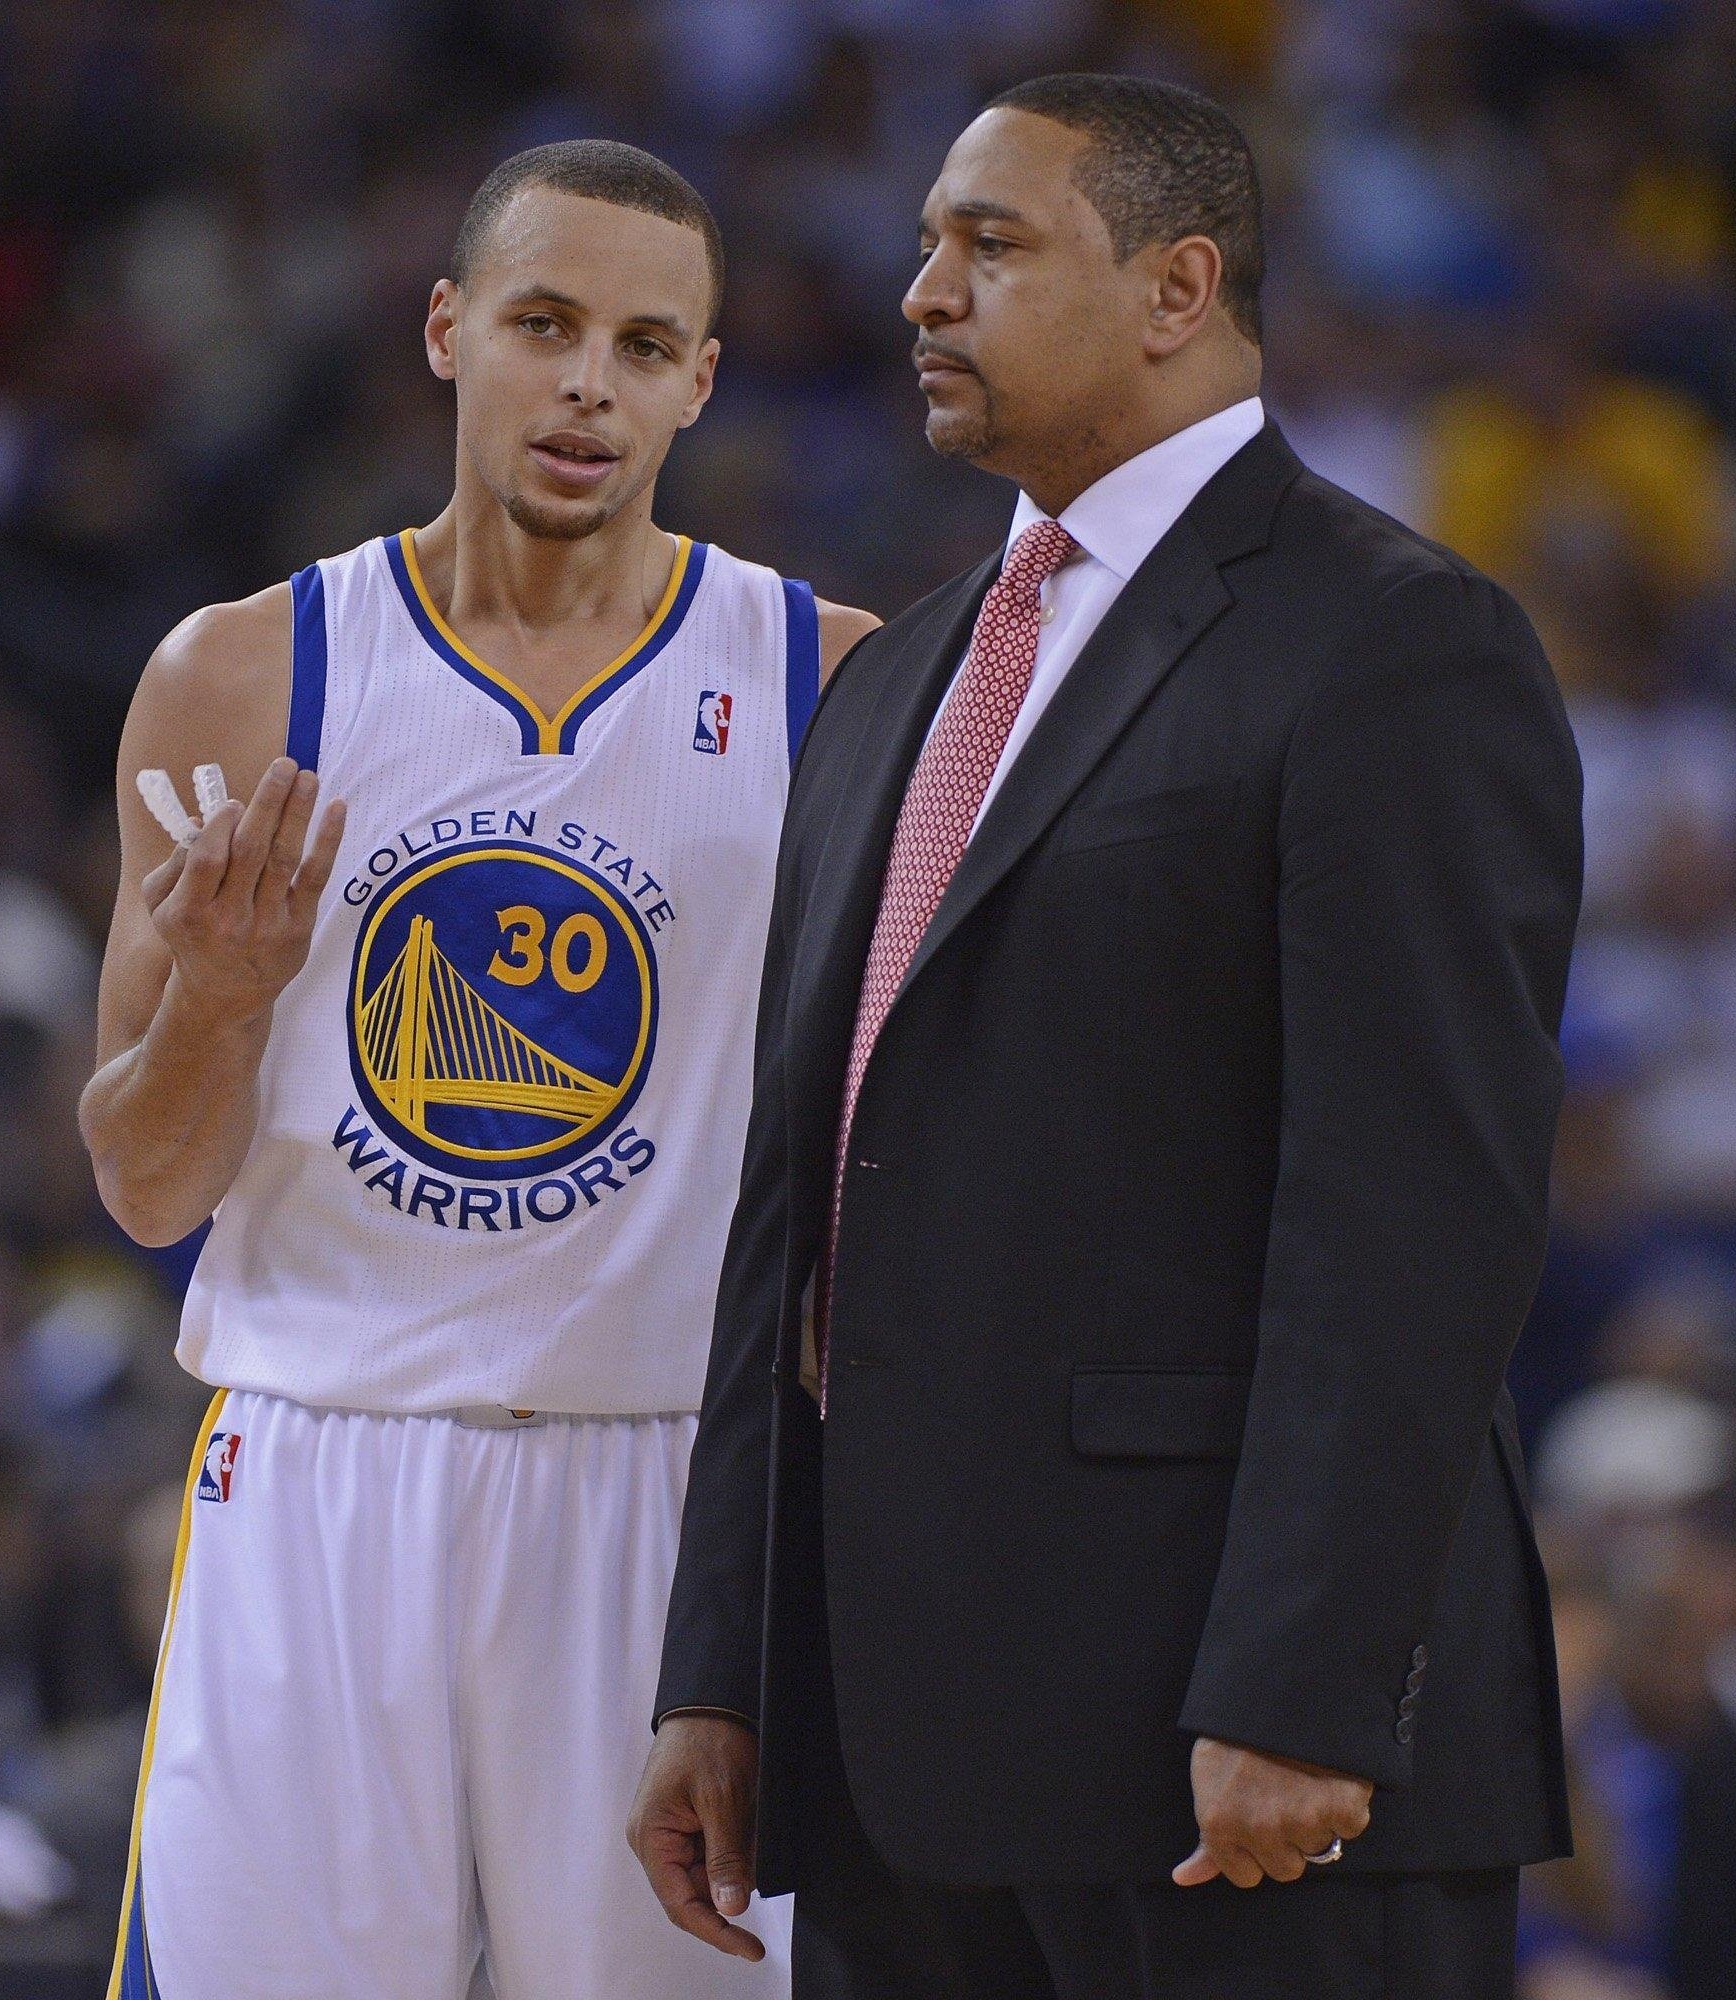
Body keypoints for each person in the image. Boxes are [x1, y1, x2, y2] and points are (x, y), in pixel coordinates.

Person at [634, 76, 1584, 1998]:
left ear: (1178, 289)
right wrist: (723, 1671)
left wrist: (1306, 1684)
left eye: (990, 245)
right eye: (927, 245)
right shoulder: (893, 676)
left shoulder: (1397, 642)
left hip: (1234, 1750)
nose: (923, 292)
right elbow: (793, 1210)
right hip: (894, 1750)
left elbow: (1414, 1214)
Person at [78, 140, 875, 1998]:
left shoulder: (829, 682)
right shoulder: (244, 675)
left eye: (643, 345)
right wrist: (222, 999)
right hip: (319, 1466)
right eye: (544, 324)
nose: (590, 383)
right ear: (448, 331)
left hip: (667, 1487)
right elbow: (145, 1186)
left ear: (701, 382)